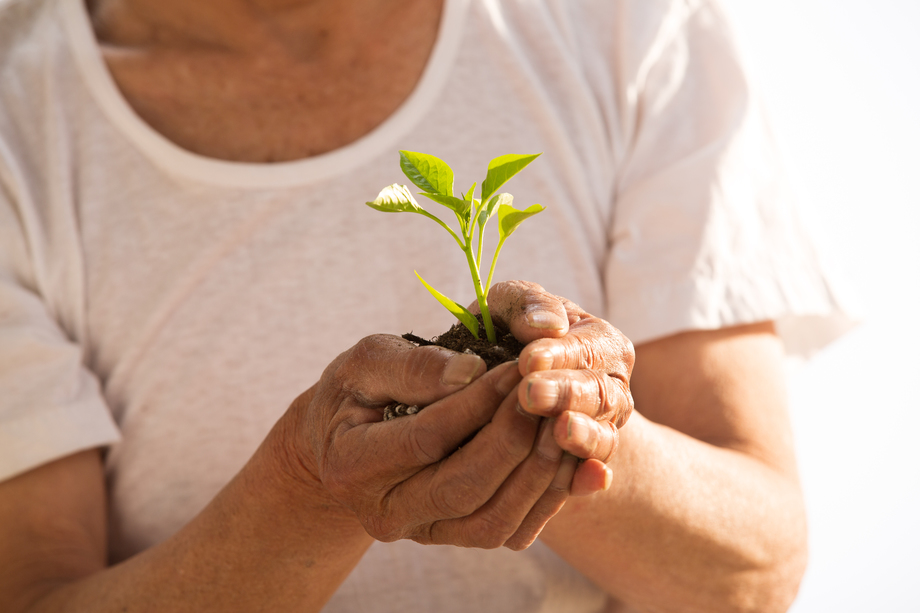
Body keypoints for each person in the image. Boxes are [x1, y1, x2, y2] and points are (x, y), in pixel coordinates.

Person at [0, 0, 853, 611]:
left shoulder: (624, 25)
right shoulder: (22, 110)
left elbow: (752, 569)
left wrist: (571, 424)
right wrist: (308, 487)